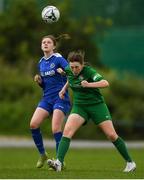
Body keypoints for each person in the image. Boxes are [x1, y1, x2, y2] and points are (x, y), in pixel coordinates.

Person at [47, 50, 136, 172]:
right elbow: (70, 78)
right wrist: (63, 90)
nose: (74, 70)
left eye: (77, 67)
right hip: (80, 106)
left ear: (82, 65)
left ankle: (130, 163)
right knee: (67, 131)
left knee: (111, 135)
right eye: (72, 67)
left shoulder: (89, 71)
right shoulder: (69, 69)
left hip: (96, 105)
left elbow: (105, 83)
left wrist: (89, 85)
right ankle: (59, 163)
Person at [30, 34, 71, 168]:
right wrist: (40, 82)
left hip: (60, 97)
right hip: (47, 98)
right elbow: (46, 85)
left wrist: (64, 73)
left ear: (54, 46)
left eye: (48, 42)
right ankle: (43, 155)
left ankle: (60, 161)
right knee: (33, 124)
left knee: (55, 129)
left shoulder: (58, 58)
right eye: (43, 42)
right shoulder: (41, 62)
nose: (45, 44)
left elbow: (72, 74)